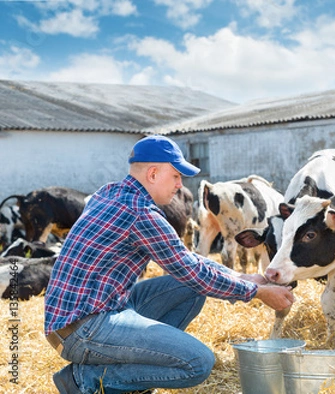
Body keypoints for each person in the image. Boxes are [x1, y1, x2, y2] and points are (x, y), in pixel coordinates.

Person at [44, 135, 295, 394]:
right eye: (175, 176)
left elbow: (185, 262)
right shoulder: (140, 212)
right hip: (83, 329)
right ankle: (85, 379)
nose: (180, 185)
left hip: (87, 313)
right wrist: (258, 292)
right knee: (198, 362)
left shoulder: (110, 192)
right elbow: (192, 271)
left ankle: (136, 375)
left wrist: (242, 278)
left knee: (191, 288)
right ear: (153, 174)